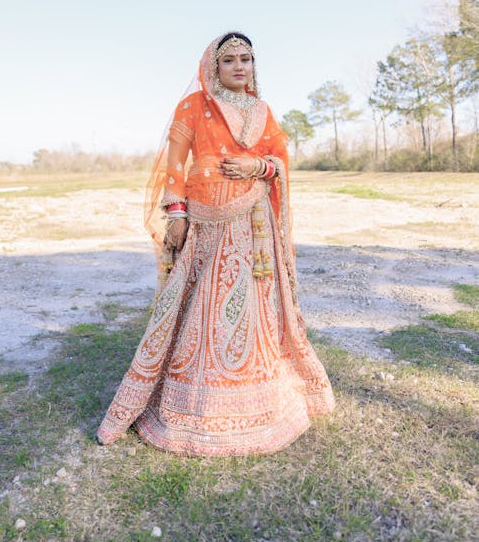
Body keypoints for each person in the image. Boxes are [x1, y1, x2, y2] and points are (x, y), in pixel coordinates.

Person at [97, 32, 335, 455]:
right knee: (197, 305)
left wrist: (257, 165)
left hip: (252, 225)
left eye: (247, 59)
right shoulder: (193, 106)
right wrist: (176, 213)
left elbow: (280, 161)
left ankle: (261, 399)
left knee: (251, 305)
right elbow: (175, 163)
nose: (240, 67)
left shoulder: (263, 110)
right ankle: (189, 402)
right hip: (205, 223)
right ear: (213, 67)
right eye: (229, 60)